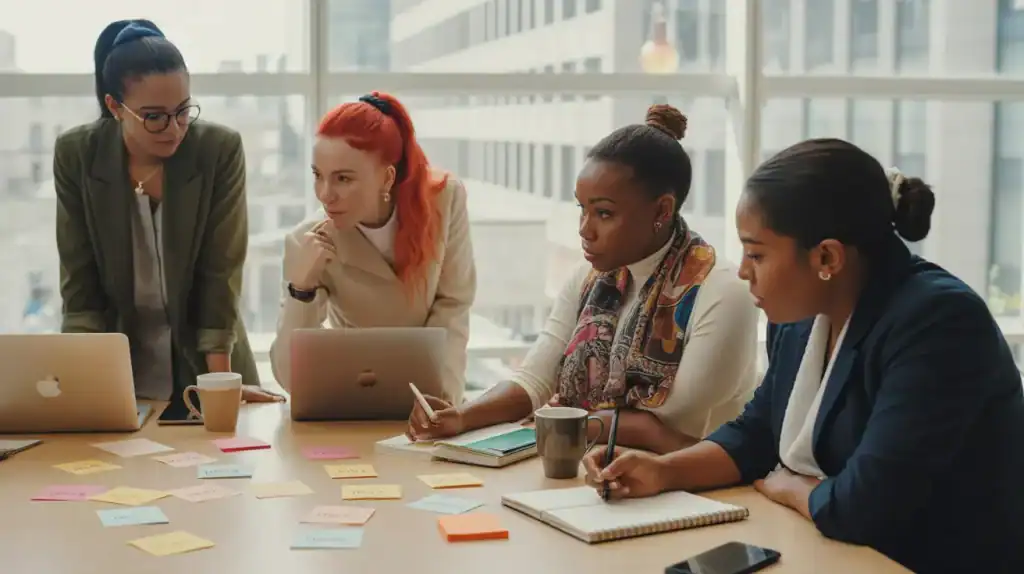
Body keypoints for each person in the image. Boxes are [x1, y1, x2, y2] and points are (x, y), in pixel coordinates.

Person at [583, 138, 1024, 573]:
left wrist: (792, 487)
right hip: (831, 551)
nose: (742, 270)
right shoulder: (802, 313)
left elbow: (864, 505)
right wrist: (661, 472)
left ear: (826, 256)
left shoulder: (939, 322)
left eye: (756, 253)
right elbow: (756, 433)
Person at [406, 104, 758, 454]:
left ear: (662, 211)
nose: (585, 230)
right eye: (582, 209)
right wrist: (462, 417)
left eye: (604, 213)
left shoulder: (723, 292)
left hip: (694, 491)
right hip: (596, 475)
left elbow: (664, 420)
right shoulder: (589, 279)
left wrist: (561, 422)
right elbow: (533, 382)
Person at [54, 20, 282, 403]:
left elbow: (220, 273)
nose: (174, 129)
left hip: (209, 364)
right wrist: (82, 386)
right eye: (154, 116)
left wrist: (220, 388)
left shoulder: (216, 150)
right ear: (115, 106)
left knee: (217, 459)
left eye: (182, 111)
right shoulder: (78, 155)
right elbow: (80, 284)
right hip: (116, 365)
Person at [270, 92, 476, 404]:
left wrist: (440, 403)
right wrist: (300, 289)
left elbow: (453, 305)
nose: (325, 195)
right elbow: (290, 379)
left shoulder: (444, 199)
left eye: (343, 179)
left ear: (386, 178)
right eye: (318, 176)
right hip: (358, 398)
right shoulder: (309, 241)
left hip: (433, 400)